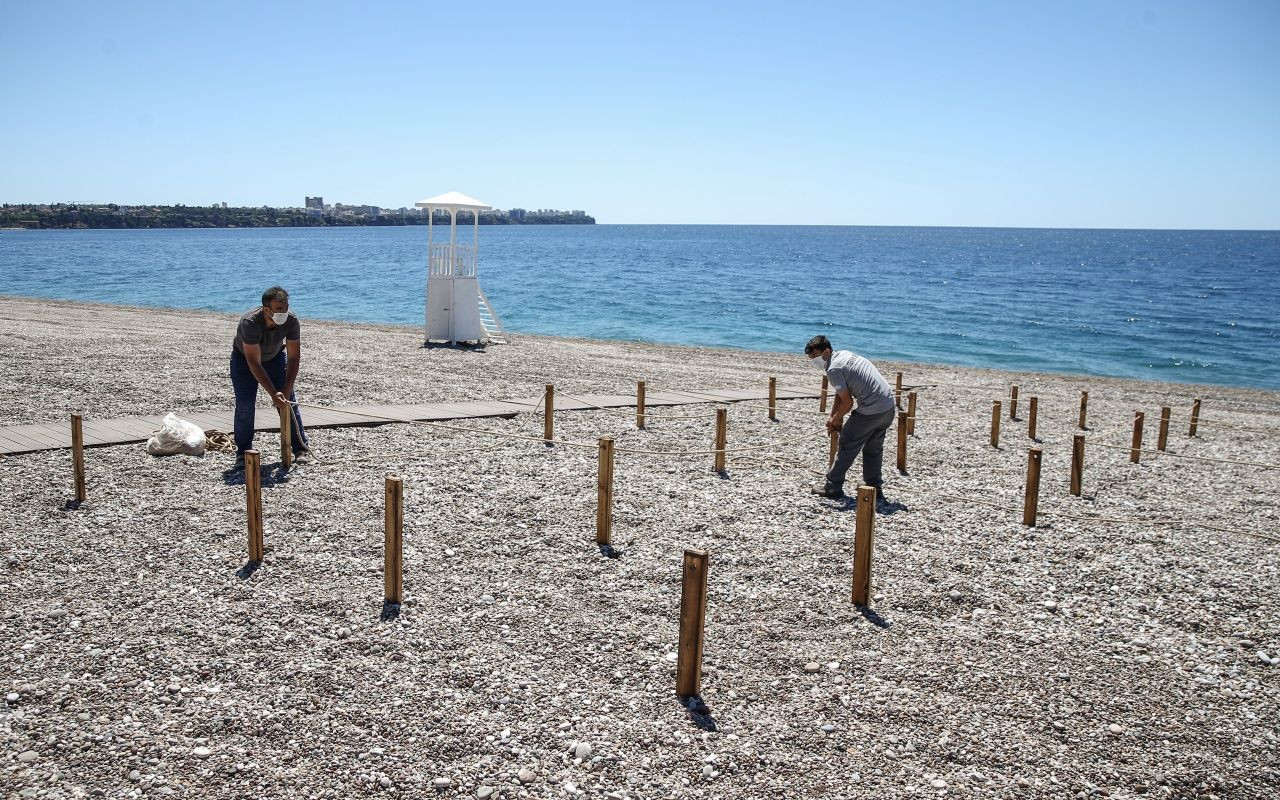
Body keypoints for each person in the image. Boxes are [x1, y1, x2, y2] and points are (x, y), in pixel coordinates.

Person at [805, 335, 896, 501]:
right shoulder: (844, 355)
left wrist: (836, 418)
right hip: (888, 406)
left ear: (827, 351)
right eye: (811, 357)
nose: (814, 360)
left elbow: (847, 403)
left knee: (847, 442)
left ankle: (832, 486)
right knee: (873, 448)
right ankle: (874, 486)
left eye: (816, 356)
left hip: (871, 409)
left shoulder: (833, 369)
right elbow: (841, 394)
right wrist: (834, 417)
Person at [230, 286, 308, 469]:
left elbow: (294, 357)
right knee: (245, 404)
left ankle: (300, 448)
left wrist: (286, 389)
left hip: (275, 357)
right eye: (279, 308)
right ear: (266, 309)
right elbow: (254, 362)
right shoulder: (249, 322)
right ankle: (243, 452)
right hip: (244, 360)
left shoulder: (291, 320)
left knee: (288, 402)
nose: (284, 311)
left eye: (286, 307)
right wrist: (273, 393)